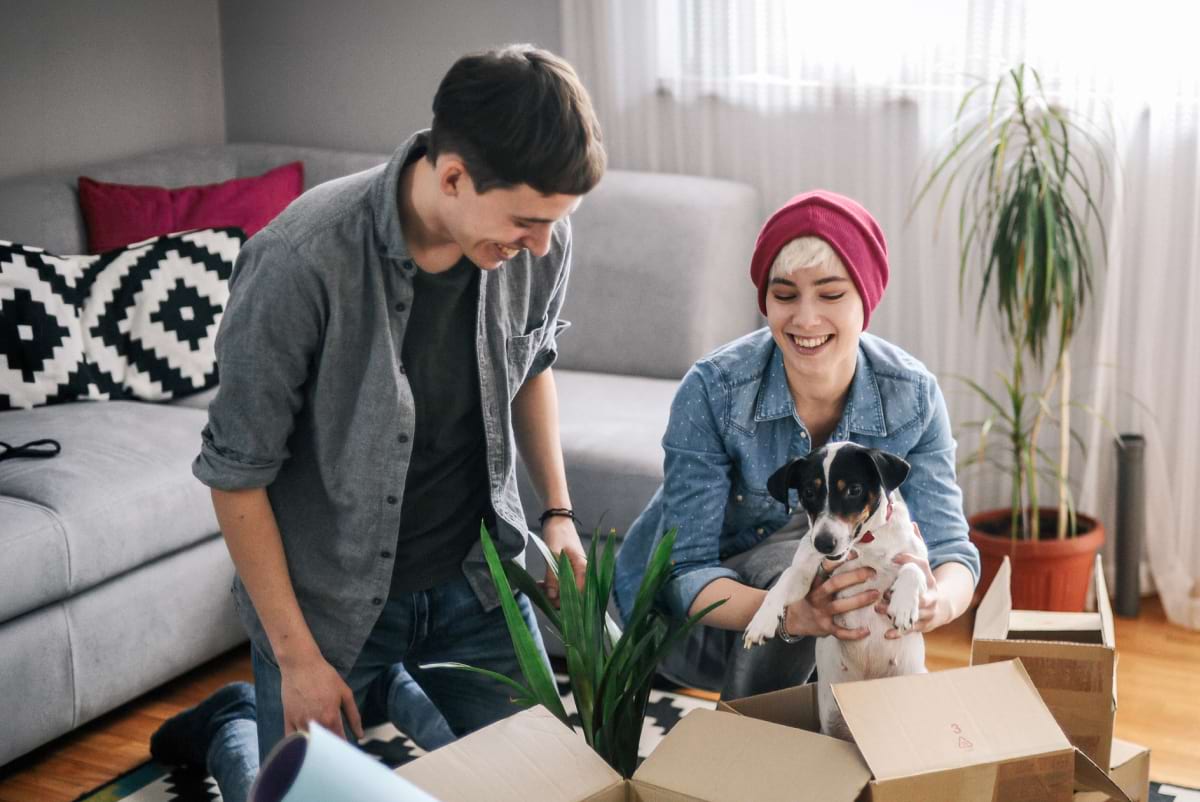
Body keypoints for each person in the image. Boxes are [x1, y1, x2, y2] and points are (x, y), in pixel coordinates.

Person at [150, 44, 605, 802]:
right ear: (452, 175)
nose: (543, 245)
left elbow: (532, 366)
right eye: (528, 222)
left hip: (474, 581)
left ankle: (392, 693)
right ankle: (233, 725)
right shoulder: (300, 261)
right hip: (328, 609)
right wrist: (296, 660)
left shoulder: (532, 239)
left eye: (556, 223)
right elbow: (236, 477)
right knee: (294, 792)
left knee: (547, 791)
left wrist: (557, 515)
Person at [612, 190, 980, 700]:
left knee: (843, 569)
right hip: (693, 622)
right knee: (806, 567)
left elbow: (952, 550)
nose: (805, 320)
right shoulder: (714, 390)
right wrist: (794, 615)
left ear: (865, 301)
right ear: (764, 301)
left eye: (830, 295)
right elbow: (685, 570)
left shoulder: (912, 395)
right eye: (785, 296)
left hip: (827, 609)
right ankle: (760, 749)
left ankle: (852, 744)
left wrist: (937, 603)